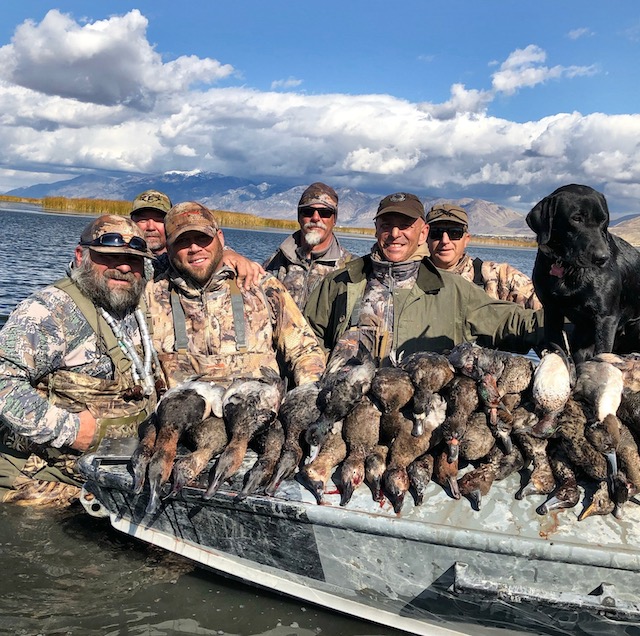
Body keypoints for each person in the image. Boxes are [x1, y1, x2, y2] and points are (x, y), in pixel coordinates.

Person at [0, 215, 161, 505]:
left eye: (133, 260)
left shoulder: (135, 305)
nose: (124, 267)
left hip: (109, 475)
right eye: (109, 257)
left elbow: (191, 263)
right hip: (44, 483)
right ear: (81, 255)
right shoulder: (49, 311)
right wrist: (70, 429)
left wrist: (231, 255)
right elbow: (4, 382)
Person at [304, 192, 544, 367]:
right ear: (376, 229)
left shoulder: (453, 290)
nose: (395, 234)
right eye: (387, 225)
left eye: (405, 225)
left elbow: (513, 323)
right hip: (344, 417)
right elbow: (307, 344)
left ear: (423, 233)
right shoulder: (340, 282)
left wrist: (568, 319)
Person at [146, 201, 326, 389]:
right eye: (182, 241)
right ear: (169, 246)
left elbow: (305, 351)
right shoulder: (152, 296)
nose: (194, 248)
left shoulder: (262, 287)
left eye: (202, 237)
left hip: (257, 411)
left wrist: (308, 391)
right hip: (178, 414)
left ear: (220, 238)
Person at [130, 188, 265, 287]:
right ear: (131, 223)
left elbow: (214, 251)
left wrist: (230, 254)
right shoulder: (123, 259)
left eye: (159, 219)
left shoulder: (181, 259)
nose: (150, 226)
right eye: (142, 220)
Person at [425, 203, 541, 309]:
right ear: (425, 237)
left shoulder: (500, 276)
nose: (445, 240)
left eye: (454, 233)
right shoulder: (412, 278)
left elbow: (545, 305)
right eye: (437, 233)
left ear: (466, 239)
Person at [263, 182, 353, 309]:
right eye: (308, 211)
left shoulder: (349, 268)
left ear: (334, 220)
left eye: (325, 212)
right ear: (299, 217)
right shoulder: (276, 261)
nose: (316, 218)